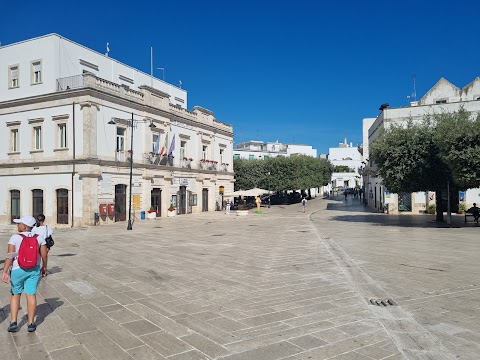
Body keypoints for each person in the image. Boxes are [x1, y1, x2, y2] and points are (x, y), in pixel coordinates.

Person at [2, 216, 48, 332]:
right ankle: (31, 323)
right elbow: (44, 255)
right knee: (31, 294)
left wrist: (5, 271)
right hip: (34, 270)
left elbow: (10, 255)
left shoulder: (15, 238)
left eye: (19, 223)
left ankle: (13, 322)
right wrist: (44, 267)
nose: (18, 225)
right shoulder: (39, 238)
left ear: (25, 226)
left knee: (15, 294)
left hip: (17, 270)